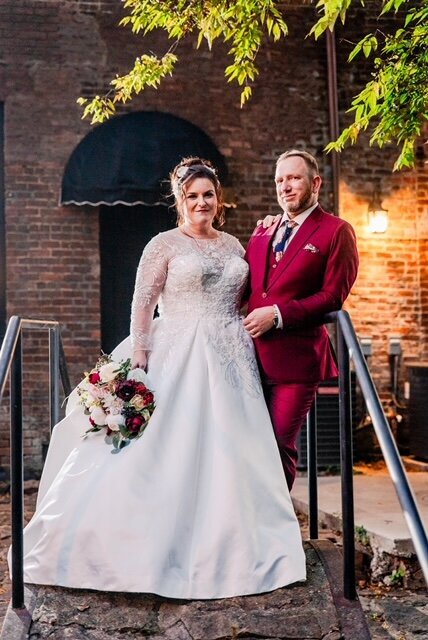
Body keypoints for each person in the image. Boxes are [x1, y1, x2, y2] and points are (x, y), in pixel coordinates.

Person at [17, 157, 306, 599]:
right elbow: (142, 302)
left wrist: (269, 227)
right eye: (192, 196)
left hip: (230, 354)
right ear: (179, 200)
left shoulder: (234, 245)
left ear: (218, 197)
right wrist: (141, 353)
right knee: (164, 446)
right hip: (176, 349)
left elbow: (252, 287)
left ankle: (233, 541)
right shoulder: (164, 244)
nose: (201, 202)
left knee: (234, 446)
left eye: (208, 194)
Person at [244, 149, 359, 491]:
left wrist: (278, 316)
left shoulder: (336, 231)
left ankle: (276, 531)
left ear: (315, 183)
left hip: (297, 363)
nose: (286, 187)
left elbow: (332, 296)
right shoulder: (263, 231)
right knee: (244, 447)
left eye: (294, 178)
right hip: (248, 359)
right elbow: (249, 288)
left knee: (278, 445)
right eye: (280, 180)